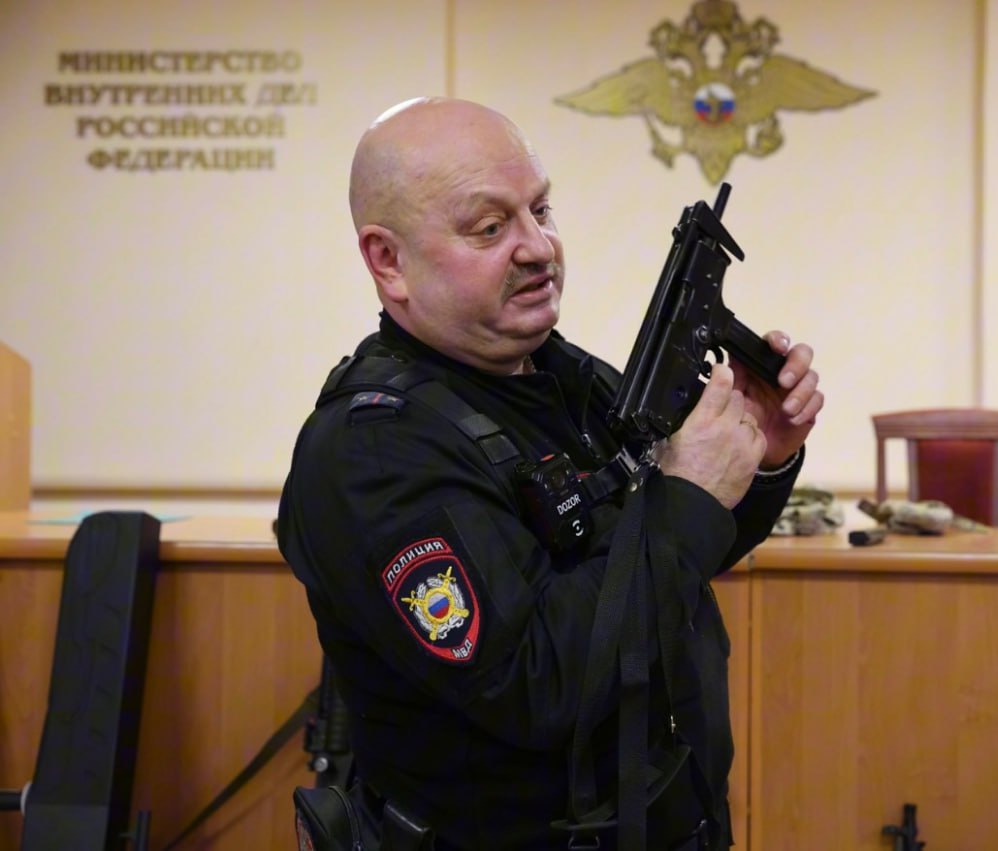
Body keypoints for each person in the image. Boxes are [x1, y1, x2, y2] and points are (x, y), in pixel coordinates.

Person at [276, 96, 823, 850]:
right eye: (489, 227)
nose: (538, 247)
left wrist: (761, 456)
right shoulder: (372, 454)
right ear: (388, 261)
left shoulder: (559, 376)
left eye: (540, 210)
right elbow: (538, 682)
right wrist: (687, 496)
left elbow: (673, 564)